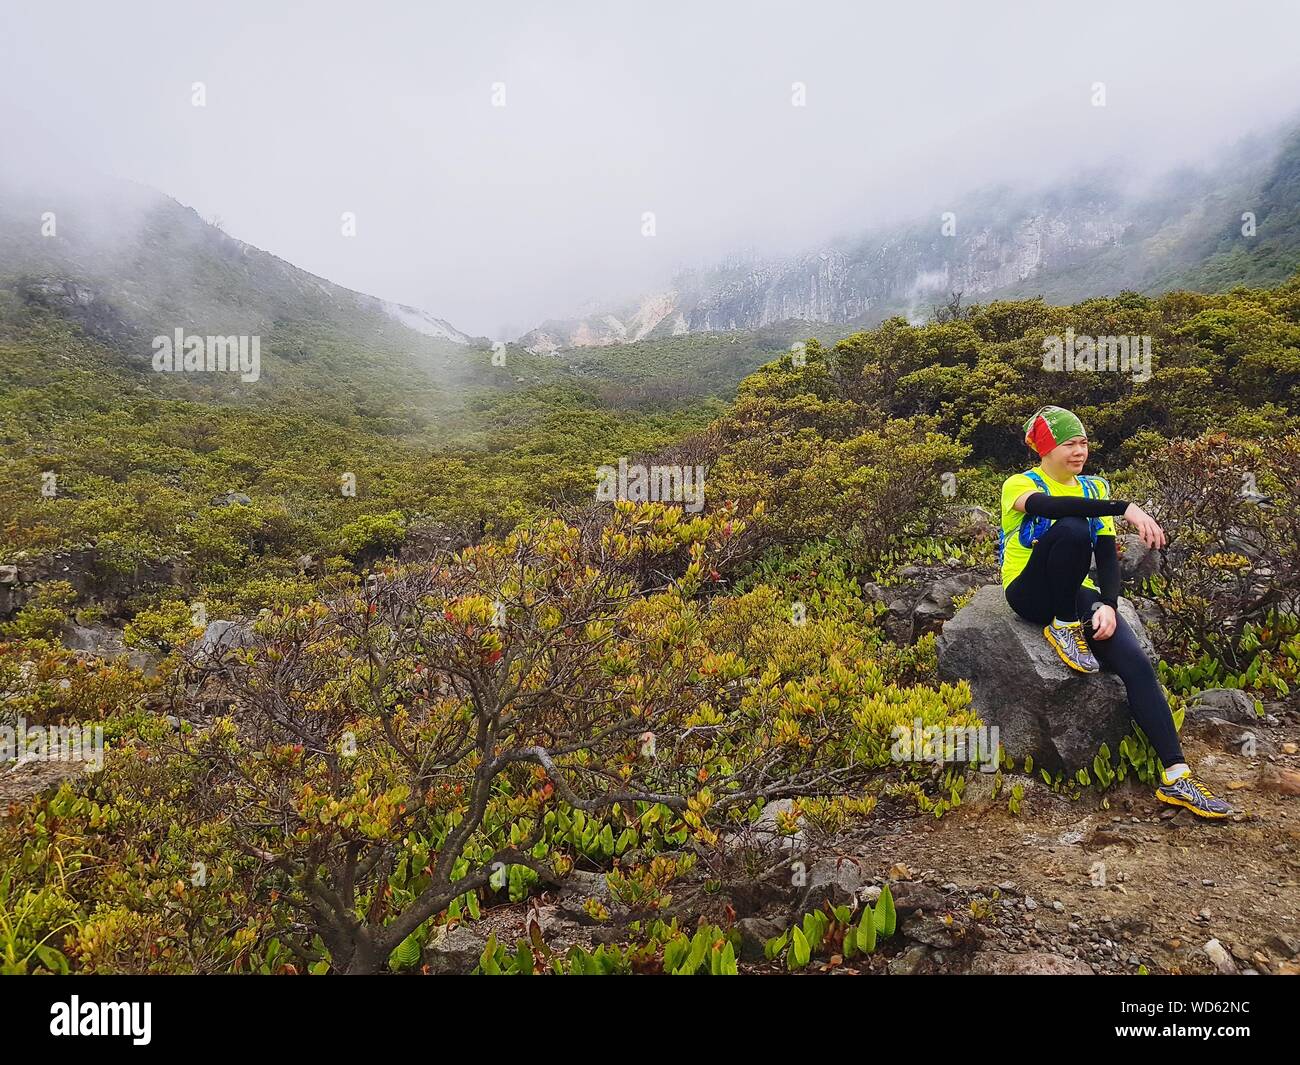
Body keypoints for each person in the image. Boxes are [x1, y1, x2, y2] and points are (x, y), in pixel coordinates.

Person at [999, 405, 1232, 819]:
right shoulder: (1020, 483)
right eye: (1068, 443)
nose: (1079, 451)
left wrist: (1108, 603)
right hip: (1029, 591)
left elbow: (1105, 555)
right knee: (1070, 525)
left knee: (1135, 663)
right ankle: (1064, 625)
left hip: (1076, 590)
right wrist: (1124, 506)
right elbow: (1052, 511)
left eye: (1083, 442)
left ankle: (1177, 777)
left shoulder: (1094, 488)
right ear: (1047, 448)